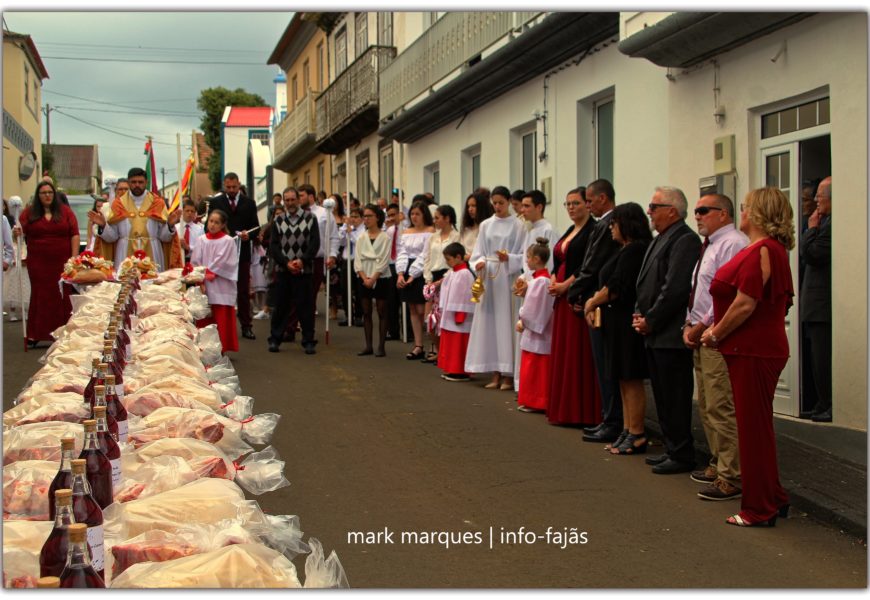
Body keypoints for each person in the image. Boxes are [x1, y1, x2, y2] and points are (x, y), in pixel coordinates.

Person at [700, 187, 795, 527]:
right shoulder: (767, 249)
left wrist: (715, 332)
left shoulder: (764, 250)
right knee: (757, 428)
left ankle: (759, 508)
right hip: (754, 348)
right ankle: (774, 497)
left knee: (752, 430)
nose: (741, 211)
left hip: (753, 350)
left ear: (757, 213)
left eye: (745, 207)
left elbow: (745, 302)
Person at [683, 193, 747, 500]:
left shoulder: (733, 243)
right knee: (708, 403)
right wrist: (688, 323)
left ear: (723, 213)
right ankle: (717, 462)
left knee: (721, 404)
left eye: (703, 211)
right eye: (696, 211)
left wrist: (702, 325)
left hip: (716, 335)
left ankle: (731, 475)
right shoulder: (709, 246)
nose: (697, 215)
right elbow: (700, 288)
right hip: (701, 333)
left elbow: (728, 294)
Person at [634, 186, 701, 474]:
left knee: (675, 396)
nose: (649, 211)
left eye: (654, 206)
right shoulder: (661, 238)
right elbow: (646, 282)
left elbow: (675, 288)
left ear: (672, 211)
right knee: (662, 395)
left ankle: (682, 452)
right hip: (654, 332)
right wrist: (639, 312)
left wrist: (651, 318)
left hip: (671, 333)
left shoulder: (684, 240)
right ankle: (672, 448)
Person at [583, 203, 652, 454]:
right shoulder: (623, 249)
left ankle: (636, 432)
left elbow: (617, 285)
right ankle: (627, 428)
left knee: (631, 377)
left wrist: (591, 302)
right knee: (622, 378)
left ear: (628, 224)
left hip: (626, 323)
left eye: (615, 223)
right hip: (615, 323)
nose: (611, 227)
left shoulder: (635, 250)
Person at [566, 180, 623, 443]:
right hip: (594, 296)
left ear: (602, 198)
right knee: (603, 364)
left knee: (607, 364)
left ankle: (612, 420)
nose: (587, 205)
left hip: (601, 299)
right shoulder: (603, 224)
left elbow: (593, 263)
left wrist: (575, 291)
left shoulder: (607, 224)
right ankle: (608, 418)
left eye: (589, 200)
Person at [546, 187, 601, 426]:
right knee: (563, 350)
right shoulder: (570, 229)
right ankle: (562, 407)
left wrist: (566, 285)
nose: (571, 208)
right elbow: (558, 259)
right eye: (567, 204)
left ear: (587, 205)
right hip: (560, 292)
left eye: (576, 203)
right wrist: (552, 279)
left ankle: (580, 410)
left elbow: (587, 265)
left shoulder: (592, 230)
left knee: (577, 352)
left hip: (576, 294)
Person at [464, 186, 525, 390]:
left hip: (507, 278)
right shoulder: (486, 225)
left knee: (506, 323)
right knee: (490, 325)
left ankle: (508, 374)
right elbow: (478, 253)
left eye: (501, 203)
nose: (497, 206)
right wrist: (479, 262)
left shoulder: (518, 225)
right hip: (489, 277)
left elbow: (524, 254)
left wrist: (510, 258)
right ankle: (495, 373)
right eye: (495, 203)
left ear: (508, 202)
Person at [14, 181, 79, 346]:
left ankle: (63, 332)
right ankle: (35, 334)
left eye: (50, 192)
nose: (47, 195)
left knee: (62, 295)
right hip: (38, 262)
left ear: (54, 194)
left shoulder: (66, 212)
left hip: (62, 261)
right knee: (40, 295)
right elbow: (20, 234)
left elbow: (74, 234)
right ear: (38, 195)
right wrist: (17, 233)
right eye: (43, 193)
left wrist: (74, 258)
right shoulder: (29, 213)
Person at [92, 167, 182, 272]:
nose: (137, 185)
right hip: (124, 253)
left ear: (146, 182)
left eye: (140, 182)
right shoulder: (119, 204)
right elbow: (112, 237)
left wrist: (170, 226)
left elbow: (164, 237)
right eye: (133, 182)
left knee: (152, 286)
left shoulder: (157, 203)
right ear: (128, 182)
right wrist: (103, 226)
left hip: (153, 253)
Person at [268, 186, 320, 354]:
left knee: (305, 307)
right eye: (287, 200)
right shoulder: (278, 220)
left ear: (299, 200)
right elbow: (273, 246)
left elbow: (315, 244)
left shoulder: (311, 219)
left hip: (304, 270)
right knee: (281, 307)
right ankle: (275, 339)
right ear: (283, 201)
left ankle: (308, 341)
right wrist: (286, 263)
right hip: (284, 270)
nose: (290, 203)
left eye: (293, 199)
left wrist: (302, 261)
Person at [209, 172, 260, 340]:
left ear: (239, 185)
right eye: (228, 187)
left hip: (242, 253)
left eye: (234, 187)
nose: (231, 190)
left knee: (243, 290)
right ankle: (218, 326)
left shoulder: (249, 203)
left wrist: (249, 235)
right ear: (224, 186)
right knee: (220, 290)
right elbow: (208, 227)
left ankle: (246, 325)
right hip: (221, 255)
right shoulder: (216, 202)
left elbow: (256, 227)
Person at [800, 176, 832, 422]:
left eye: (819, 197)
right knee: (815, 357)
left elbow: (812, 253)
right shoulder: (824, 221)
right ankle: (819, 403)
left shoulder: (828, 225)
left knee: (823, 358)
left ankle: (827, 405)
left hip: (822, 304)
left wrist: (811, 230)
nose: (816, 202)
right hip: (815, 304)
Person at [191, 209, 239, 354]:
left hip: (221, 285)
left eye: (216, 222)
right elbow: (195, 260)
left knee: (221, 316)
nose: (212, 225)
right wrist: (199, 279)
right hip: (204, 284)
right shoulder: (201, 240)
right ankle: (204, 348)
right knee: (205, 315)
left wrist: (209, 272)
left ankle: (221, 348)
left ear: (223, 224)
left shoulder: (228, 241)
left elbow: (225, 261)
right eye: (211, 221)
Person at [515, 238, 554, 412]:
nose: (527, 260)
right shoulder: (538, 280)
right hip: (536, 332)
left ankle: (537, 401)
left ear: (537, 259)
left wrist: (523, 318)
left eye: (529, 257)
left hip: (539, 333)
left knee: (537, 370)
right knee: (532, 368)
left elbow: (535, 309)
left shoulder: (541, 282)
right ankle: (531, 400)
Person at [396, 200, 435, 359]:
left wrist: (413, 275)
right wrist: (400, 273)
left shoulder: (430, 231)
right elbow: (402, 252)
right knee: (412, 309)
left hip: (422, 270)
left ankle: (432, 344)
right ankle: (418, 345)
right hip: (407, 268)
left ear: (424, 215)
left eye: (418, 214)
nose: (414, 217)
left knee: (422, 310)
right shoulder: (406, 232)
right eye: (412, 214)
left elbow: (425, 254)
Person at [422, 205, 461, 363]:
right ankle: (438, 349)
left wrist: (443, 280)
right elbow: (427, 257)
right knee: (429, 319)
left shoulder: (456, 236)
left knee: (444, 317)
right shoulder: (433, 237)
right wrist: (428, 278)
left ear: (447, 218)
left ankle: (445, 352)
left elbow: (457, 261)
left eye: (438, 217)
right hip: (433, 276)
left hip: (447, 277)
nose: (435, 220)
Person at [354, 204, 390, 357]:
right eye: (365, 216)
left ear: (377, 217)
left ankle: (381, 346)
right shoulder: (361, 237)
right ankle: (368, 345)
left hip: (381, 277)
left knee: (382, 311)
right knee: (366, 311)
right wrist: (364, 277)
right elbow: (357, 260)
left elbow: (384, 260)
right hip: (364, 276)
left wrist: (374, 277)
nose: (366, 219)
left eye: (369, 216)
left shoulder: (385, 237)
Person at [299, 183, 339, 318]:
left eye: (301, 196)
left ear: (311, 196)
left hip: (317, 258)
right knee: (299, 292)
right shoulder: (296, 214)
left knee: (312, 292)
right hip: (299, 259)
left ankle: (308, 322)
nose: (298, 199)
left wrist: (332, 255)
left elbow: (333, 236)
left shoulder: (324, 213)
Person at [437, 242, 476, 382]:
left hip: (459, 316)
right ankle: (452, 369)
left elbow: (464, 297)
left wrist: (460, 314)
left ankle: (460, 371)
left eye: (449, 259)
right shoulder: (453, 272)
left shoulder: (464, 274)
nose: (447, 262)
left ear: (459, 257)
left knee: (458, 344)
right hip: (450, 315)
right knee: (451, 343)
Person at [339, 207, 364, 327]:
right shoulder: (348, 228)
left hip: (358, 261)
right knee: (345, 289)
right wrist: (345, 228)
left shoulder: (364, 230)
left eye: (356, 217)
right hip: (346, 260)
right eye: (352, 217)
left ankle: (359, 315)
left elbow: (360, 243)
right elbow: (341, 242)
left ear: (362, 219)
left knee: (359, 290)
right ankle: (348, 314)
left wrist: (351, 233)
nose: (353, 219)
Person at [384, 203, 404, 340]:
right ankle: (393, 330)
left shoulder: (406, 228)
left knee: (405, 301)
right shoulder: (390, 230)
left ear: (399, 214)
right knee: (391, 301)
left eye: (393, 215)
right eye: (389, 215)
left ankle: (408, 331)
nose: (391, 218)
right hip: (391, 265)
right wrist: (386, 226)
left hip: (403, 265)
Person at [460, 191, 494, 262]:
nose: (470, 209)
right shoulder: (466, 229)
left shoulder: (488, 227)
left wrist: (471, 257)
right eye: (468, 206)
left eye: (473, 206)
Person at [177, 199, 205, 264]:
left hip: (193, 260)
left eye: (192, 211)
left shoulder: (200, 229)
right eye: (187, 211)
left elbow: (201, 247)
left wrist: (188, 247)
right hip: (179, 260)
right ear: (182, 212)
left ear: (195, 213)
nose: (190, 213)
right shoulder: (176, 228)